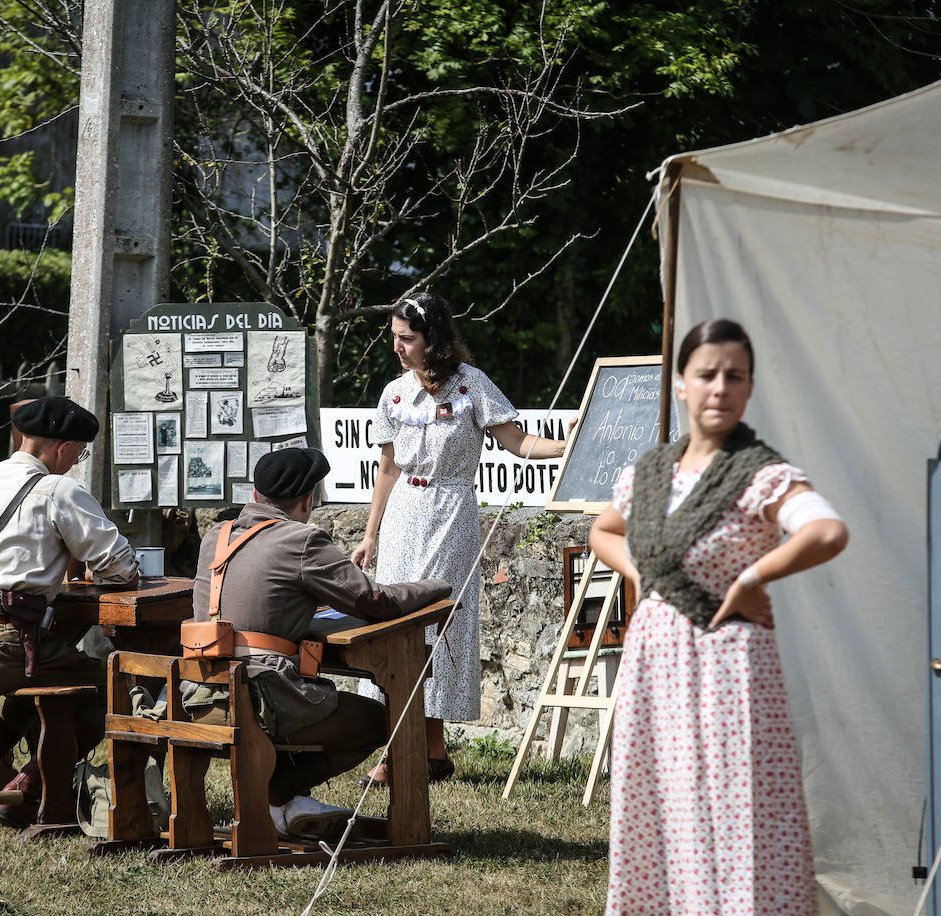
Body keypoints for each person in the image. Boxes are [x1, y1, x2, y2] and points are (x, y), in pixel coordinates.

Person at [588, 318, 849, 914]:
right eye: (706, 375)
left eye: (735, 376)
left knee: (735, 810)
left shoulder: (762, 471)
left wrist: (754, 575)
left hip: (727, 667)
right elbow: (603, 530)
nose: (720, 388)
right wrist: (646, 576)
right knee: (658, 805)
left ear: (750, 388)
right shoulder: (651, 472)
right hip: (655, 659)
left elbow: (827, 531)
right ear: (681, 383)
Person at [349, 291, 568, 785]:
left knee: (437, 623)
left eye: (407, 338)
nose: (398, 347)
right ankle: (425, 750)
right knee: (396, 623)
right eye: (395, 338)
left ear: (433, 338)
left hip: (451, 511)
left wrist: (565, 446)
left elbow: (517, 442)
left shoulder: (471, 385)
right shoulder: (394, 393)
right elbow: (387, 467)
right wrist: (370, 535)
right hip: (405, 510)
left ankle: (410, 749)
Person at [189, 447, 450, 839]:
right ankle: (280, 791)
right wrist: (439, 586)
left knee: (309, 703)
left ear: (256, 496)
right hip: (260, 696)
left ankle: (282, 803)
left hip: (200, 693)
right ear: (308, 500)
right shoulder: (302, 540)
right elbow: (374, 601)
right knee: (384, 722)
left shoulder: (216, 536)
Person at [0, 395, 139, 828]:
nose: (77, 462)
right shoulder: (58, 489)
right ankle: (27, 792)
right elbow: (121, 569)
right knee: (113, 690)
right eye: (80, 452)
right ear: (62, 447)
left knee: (34, 680)